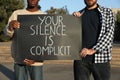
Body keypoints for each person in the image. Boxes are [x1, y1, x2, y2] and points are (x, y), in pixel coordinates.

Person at [73, 0, 115, 80]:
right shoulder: (79, 14)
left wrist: (93, 50)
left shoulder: (107, 12)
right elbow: (70, 35)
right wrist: (72, 20)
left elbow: (109, 34)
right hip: (80, 59)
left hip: (101, 59)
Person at [4, 0, 44, 80]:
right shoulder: (17, 14)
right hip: (19, 60)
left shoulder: (44, 16)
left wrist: (36, 57)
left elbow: (47, 42)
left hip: (37, 62)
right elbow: (6, 33)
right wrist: (10, 27)